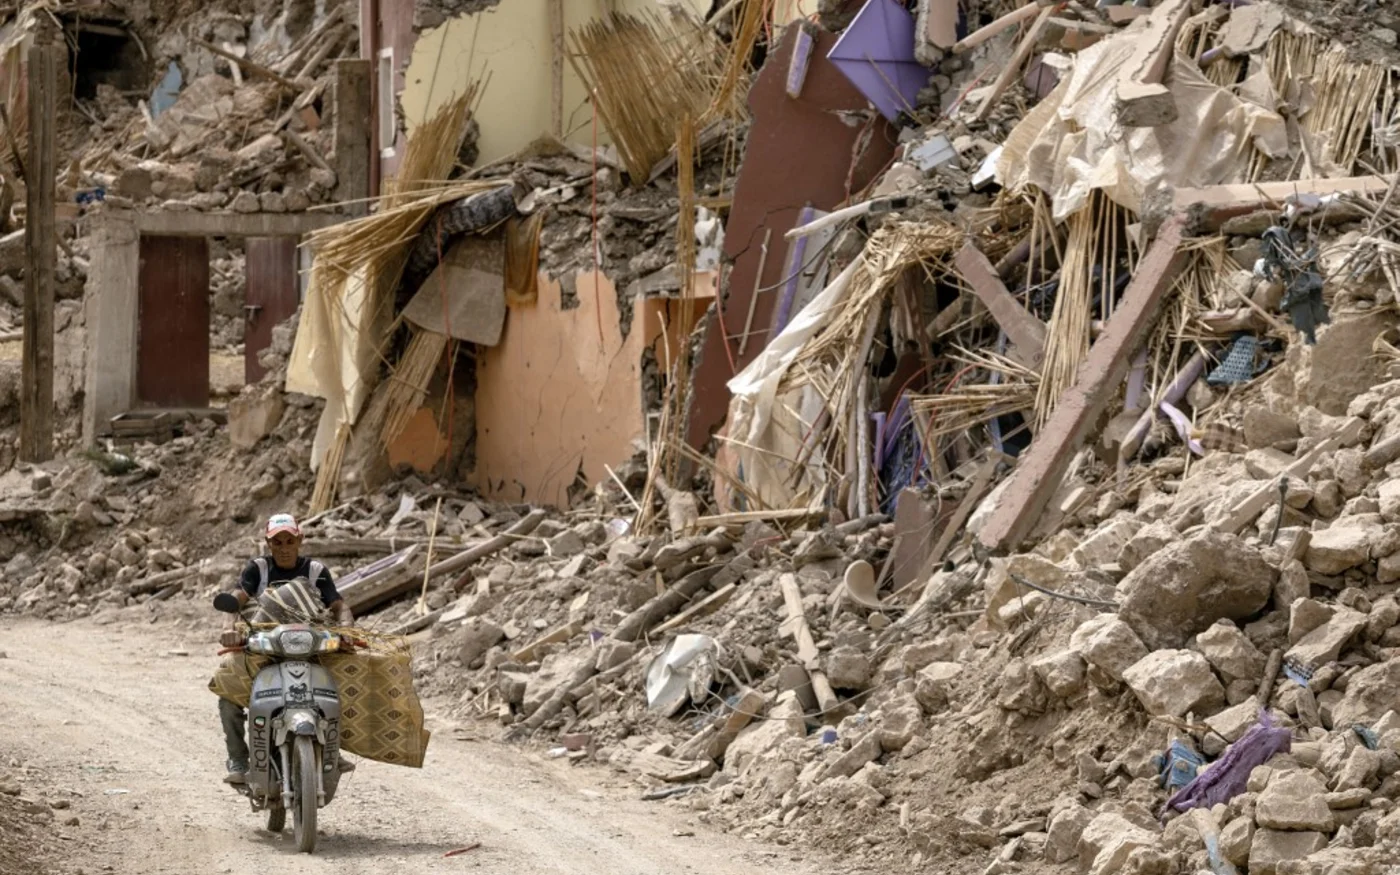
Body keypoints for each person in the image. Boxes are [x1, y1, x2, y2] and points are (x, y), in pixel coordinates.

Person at [218, 513, 356, 785]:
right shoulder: (258, 568)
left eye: (289, 541)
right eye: (277, 542)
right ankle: (238, 758)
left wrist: (347, 629)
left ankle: (332, 747)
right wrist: (228, 628)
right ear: (268, 543)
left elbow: (339, 606)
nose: (283, 548)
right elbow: (237, 598)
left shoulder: (315, 571)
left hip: (309, 649)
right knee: (227, 691)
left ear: (300, 540)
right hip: (264, 649)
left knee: (342, 686)